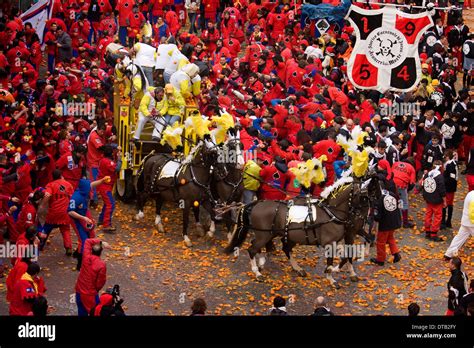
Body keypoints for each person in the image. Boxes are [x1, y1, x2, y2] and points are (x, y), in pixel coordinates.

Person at [68, 177, 109, 270]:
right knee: (84, 239)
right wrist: (83, 218)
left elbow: (92, 185)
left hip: (84, 214)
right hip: (76, 218)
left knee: (91, 235)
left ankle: (79, 253)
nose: (90, 191)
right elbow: (70, 212)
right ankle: (81, 263)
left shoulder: (85, 189)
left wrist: (102, 180)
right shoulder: (76, 198)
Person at [37, 169, 74, 255]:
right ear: (61, 175)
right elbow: (72, 196)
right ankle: (68, 247)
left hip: (53, 213)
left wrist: (42, 205)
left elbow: (48, 195)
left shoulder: (50, 185)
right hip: (65, 212)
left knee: (46, 228)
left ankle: (40, 245)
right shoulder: (68, 184)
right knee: (65, 230)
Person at [370, 173, 402, 266]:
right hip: (394, 221)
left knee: (380, 242)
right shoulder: (392, 194)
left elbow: (377, 216)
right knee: (390, 238)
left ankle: (380, 259)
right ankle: (396, 253)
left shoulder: (378, 199)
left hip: (385, 224)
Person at [75, 238, 109, 316]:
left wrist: (101, 242)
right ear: (101, 252)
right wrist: (96, 289)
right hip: (90, 293)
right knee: (96, 312)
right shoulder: (101, 265)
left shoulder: (86, 257)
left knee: (81, 311)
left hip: (79, 290)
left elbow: (87, 241)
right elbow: (101, 281)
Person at [97, 145, 122, 232]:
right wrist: (120, 159)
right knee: (110, 204)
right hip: (105, 187)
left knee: (107, 203)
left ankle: (101, 219)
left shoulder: (104, 159)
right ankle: (106, 225)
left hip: (105, 186)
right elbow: (117, 168)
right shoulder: (107, 161)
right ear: (110, 153)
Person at [444, 189, 474, 260]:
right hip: (472, 223)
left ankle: (448, 254)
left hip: (465, 221)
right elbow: (472, 214)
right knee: (459, 237)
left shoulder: (470, 194)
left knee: (459, 238)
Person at [422, 160, 446, 241]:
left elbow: (423, 185)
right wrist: (444, 201)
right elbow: (442, 190)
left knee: (428, 214)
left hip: (428, 199)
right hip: (437, 200)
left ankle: (427, 231)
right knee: (437, 216)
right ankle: (433, 233)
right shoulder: (440, 176)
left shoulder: (427, 174)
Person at [442, 150, 458, 229]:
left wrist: (442, 181)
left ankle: (445, 222)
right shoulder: (450, 164)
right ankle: (447, 221)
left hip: (449, 188)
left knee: (446, 204)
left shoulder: (450, 165)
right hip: (450, 187)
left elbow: (451, 178)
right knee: (449, 204)